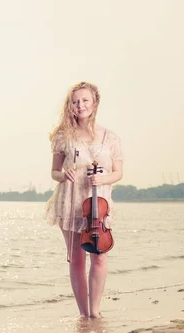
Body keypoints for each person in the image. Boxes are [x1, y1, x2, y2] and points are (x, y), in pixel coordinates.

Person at [45, 82, 124, 318]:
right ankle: (83, 314)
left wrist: (104, 178)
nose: (81, 105)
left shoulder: (110, 137)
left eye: (85, 100)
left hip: (98, 206)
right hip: (70, 202)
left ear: (94, 102)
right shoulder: (63, 137)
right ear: (71, 106)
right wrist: (63, 175)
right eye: (76, 101)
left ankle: (95, 312)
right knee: (76, 261)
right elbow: (54, 172)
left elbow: (118, 173)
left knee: (99, 258)